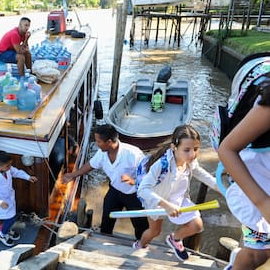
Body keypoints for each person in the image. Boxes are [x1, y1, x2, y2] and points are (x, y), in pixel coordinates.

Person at [136, 124, 219, 261]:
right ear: (174, 147)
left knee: (197, 225)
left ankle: (174, 239)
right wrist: (166, 205)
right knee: (155, 231)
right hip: (158, 202)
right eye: (187, 150)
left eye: (196, 149)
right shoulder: (161, 165)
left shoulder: (190, 161)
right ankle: (140, 245)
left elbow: (202, 174)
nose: (192, 154)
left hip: (178, 200)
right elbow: (143, 190)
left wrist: (222, 188)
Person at [61, 124, 149, 239]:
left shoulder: (133, 154)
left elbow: (148, 176)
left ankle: (142, 244)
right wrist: (73, 175)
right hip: (115, 191)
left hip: (133, 195)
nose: (97, 144)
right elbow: (90, 165)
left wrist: (133, 181)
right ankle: (103, 238)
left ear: (109, 142)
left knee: (140, 224)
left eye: (99, 141)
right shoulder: (102, 153)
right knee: (107, 220)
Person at [218, 79, 270, 270]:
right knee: (257, 254)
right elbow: (227, 150)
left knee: (261, 253)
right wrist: (263, 203)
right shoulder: (267, 107)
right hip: (256, 192)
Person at [0, 150, 38, 247]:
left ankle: (7, 230)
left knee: (11, 217)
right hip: (1, 203)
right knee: (10, 218)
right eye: (8, 166)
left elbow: (16, 172)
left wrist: (28, 177)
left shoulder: (7, 170)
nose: (10, 167)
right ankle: (2, 234)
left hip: (10, 200)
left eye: (10, 165)